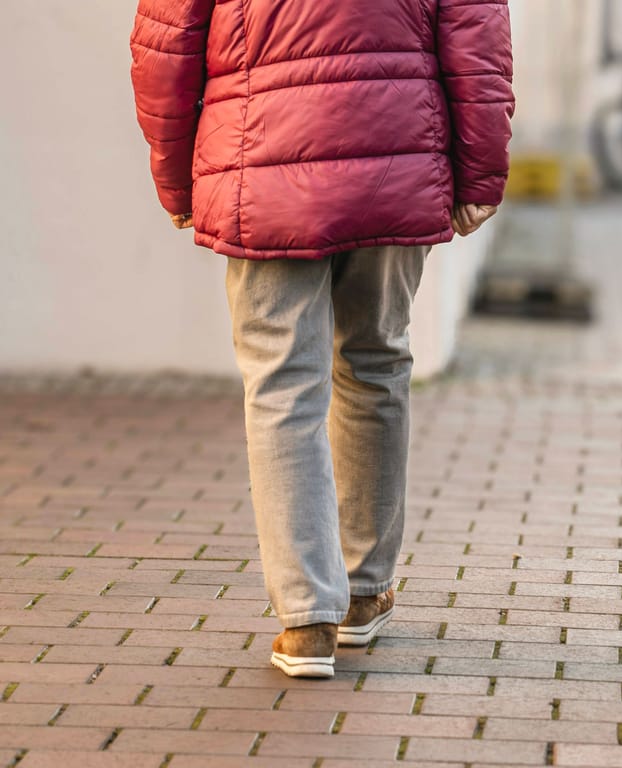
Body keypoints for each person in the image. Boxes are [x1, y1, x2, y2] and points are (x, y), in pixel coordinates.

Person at [130, 0, 514, 678]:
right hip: (397, 153)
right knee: (375, 361)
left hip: (260, 157)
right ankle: (365, 592)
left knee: (282, 382)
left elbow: (166, 40)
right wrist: (479, 169)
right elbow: (476, 36)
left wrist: (173, 175)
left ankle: (307, 616)